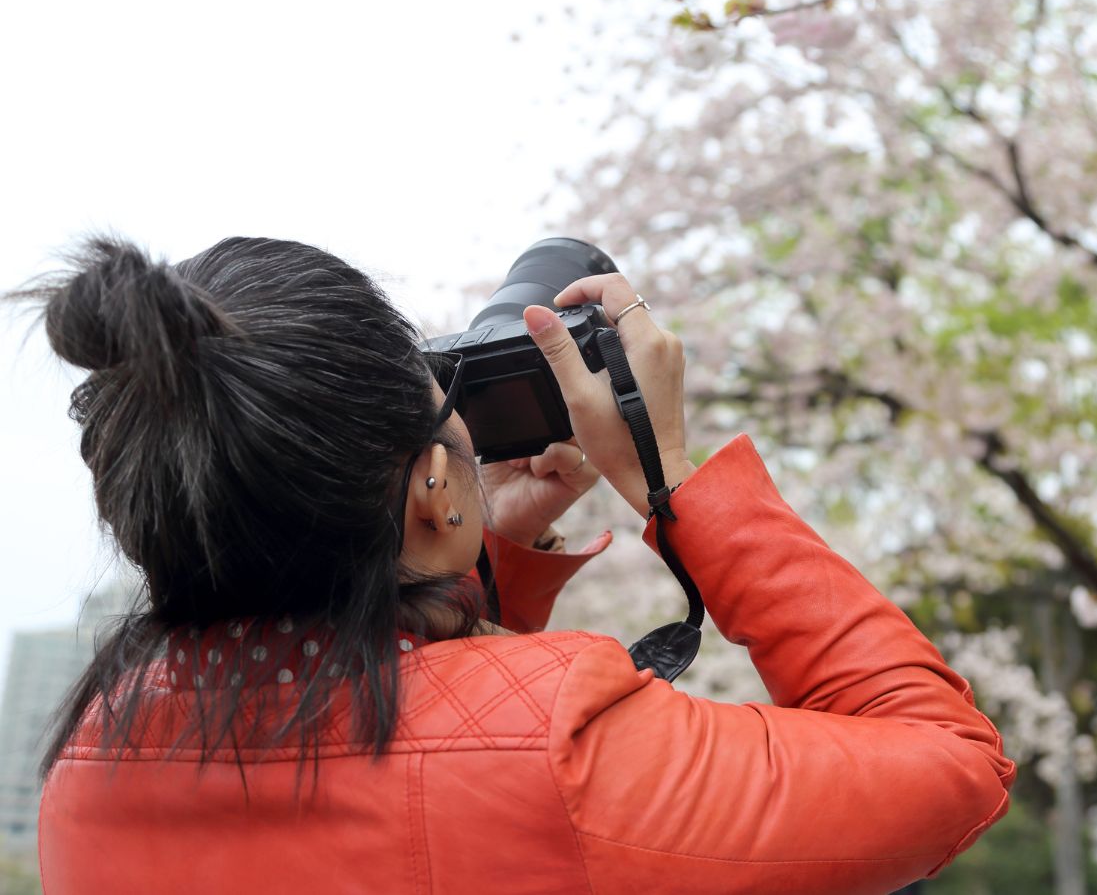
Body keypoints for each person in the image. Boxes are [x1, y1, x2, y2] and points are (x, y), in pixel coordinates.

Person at [22, 236, 1015, 894]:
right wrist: (681, 486)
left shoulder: (88, 768)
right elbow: (949, 763)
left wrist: (480, 553)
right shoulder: (560, 743)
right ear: (428, 492)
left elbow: (375, 738)